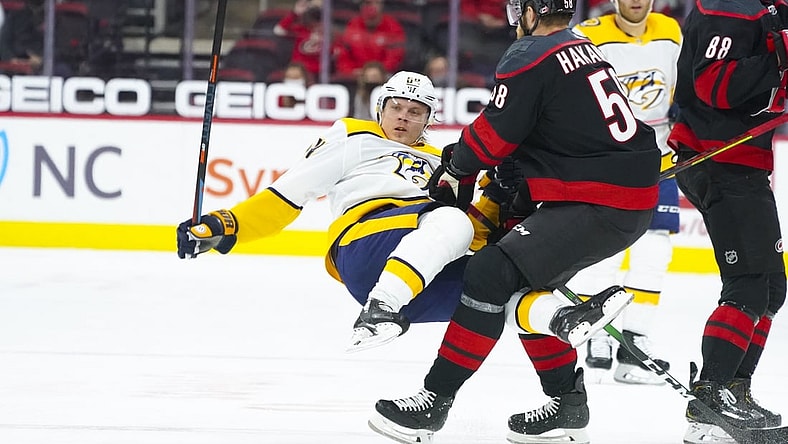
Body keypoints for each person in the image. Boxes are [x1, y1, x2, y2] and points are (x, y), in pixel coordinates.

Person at [368, 0, 662, 442]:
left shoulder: (530, 52)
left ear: (532, 11)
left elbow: (494, 136)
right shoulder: (583, 46)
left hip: (597, 200)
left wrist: (456, 166)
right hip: (618, 194)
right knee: (524, 286)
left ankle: (434, 402)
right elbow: (555, 126)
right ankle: (566, 402)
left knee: (490, 272)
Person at [176, 70, 625, 358]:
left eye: (415, 111)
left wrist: (503, 194)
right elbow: (287, 194)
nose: (403, 117)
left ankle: (562, 321)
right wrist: (223, 225)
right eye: (395, 107)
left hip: (422, 268)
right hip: (367, 244)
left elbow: (477, 229)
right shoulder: (355, 137)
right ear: (380, 108)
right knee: (450, 220)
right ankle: (379, 310)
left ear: (429, 119)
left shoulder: (446, 162)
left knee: (496, 284)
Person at [668, 0, 787, 440]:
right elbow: (715, 85)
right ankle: (709, 400)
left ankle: (734, 389)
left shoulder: (767, 8)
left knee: (771, 286)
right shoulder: (728, 7)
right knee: (749, 285)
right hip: (717, 159)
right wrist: (779, 58)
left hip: (740, 163)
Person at [569, 0, 682, 385]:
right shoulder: (588, 35)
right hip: (609, 160)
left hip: (660, 157)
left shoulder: (671, 30)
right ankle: (598, 331)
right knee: (607, 247)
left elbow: (684, 85)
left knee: (655, 250)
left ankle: (635, 340)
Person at [334, 0, 406, 77]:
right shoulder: (352, 26)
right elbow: (342, 56)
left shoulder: (393, 27)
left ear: (381, 5)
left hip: (384, 77)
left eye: (376, 3)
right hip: (355, 77)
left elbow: (395, 56)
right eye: (367, 3)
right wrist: (352, 71)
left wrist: (378, 71)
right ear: (361, 5)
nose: (372, 7)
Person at [273, 0, 328, 77]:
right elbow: (278, 30)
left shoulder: (328, 33)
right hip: (298, 72)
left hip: (319, 74)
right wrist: (295, 13)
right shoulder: (300, 29)